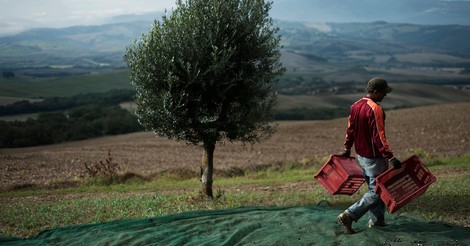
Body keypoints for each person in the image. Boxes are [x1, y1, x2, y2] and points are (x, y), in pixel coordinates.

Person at [337, 77, 402, 234]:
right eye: (383, 93)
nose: (385, 96)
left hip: (362, 156)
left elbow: (350, 130)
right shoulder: (375, 109)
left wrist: (347, 148)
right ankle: (349, 215)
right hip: (375, 158)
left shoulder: (355, 106)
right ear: (375, 92)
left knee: (376, 188)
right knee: (377, 191)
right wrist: (391, 157)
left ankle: (377, 222)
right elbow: (378, 136)